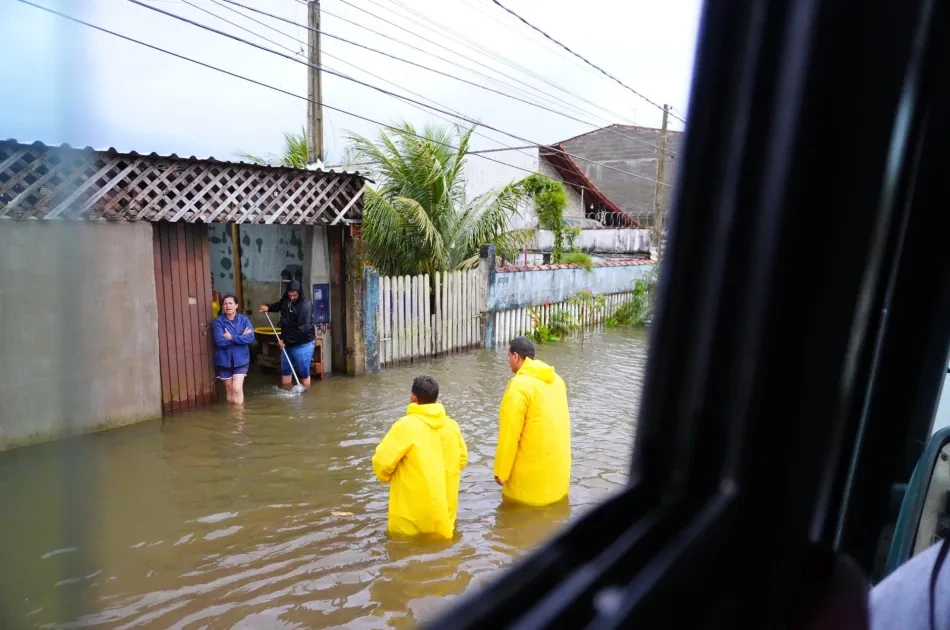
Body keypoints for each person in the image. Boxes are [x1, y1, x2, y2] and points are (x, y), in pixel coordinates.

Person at [372, 375, 469, 539]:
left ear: (413, 397)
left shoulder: (406, 425)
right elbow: (462, 459)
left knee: (404, 553)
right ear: (435, 399)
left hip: (409, 518)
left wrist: (387, 476)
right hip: (443, 513)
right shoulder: (452, 426)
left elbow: (382, 463)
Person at [493, 336, 572, 507]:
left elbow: (510, 434)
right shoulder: (557, 380)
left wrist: (501, 471)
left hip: (530, 487)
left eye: (508, 357)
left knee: (515, 520)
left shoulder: (519, 386)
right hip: (558, 477)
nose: (508, 361)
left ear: (516, 356)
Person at [259, 280, 315, 388]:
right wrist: (269, 307)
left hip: (303, 344)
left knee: (304, 372)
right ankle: (286, 391)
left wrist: (285, 341)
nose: (292, 297)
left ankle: (306, 396)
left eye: (294, 295)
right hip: (287, 343)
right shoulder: (286, 300)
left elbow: (303, 329)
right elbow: (279, 305)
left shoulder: (305, 306)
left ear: (299, 293)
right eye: (290, 295)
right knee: (285, 371)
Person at [212, 294, 254, 405]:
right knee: (229, 388)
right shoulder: (218, 322)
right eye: (225, 303)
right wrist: (241, 337)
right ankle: (232, 415)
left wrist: (232, 337)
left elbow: (250, 338)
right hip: (224, 360)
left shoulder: (244, 320)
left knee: (236, 388)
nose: (228, 306)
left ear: (236, 305)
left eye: (230, 303)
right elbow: (220, 342)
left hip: (241, 360)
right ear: (222, 306)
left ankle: (239, 418)